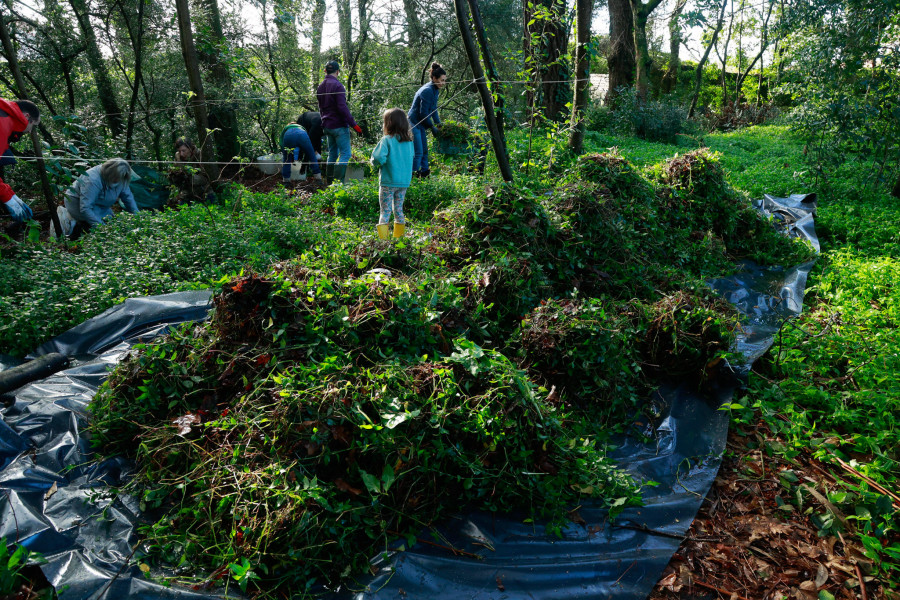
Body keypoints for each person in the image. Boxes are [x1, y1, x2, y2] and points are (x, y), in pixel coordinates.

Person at [63, 158, 138, 240]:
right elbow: (85, 208)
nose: (117, 180)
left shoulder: (122, 177)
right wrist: (102, 229)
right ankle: (74, 236)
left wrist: (138, 217)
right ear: (109, 174)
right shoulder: (92, 180)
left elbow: (128, 197)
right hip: (77, 202)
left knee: (111, 222)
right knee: (90, 226)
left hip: (100, 204)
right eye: (115, 178)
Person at [370, 108, 414, 240]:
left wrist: (375, 163)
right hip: (403, 183)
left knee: (385, 211)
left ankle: (384, 242)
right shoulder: (409, 143)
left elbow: (377, 158)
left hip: (388, 182)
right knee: (399, 210)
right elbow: (412, 158)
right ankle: (398, 240)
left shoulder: (386, 140)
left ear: (388, 123)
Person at [316, 61, 362, 184]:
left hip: (327, 125)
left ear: (325, 71)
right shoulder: (338, 86)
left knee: (332, 154)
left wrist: (324, 121)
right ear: (337, 71)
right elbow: (342, 107)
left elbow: (320, 108)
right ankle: (338, 184)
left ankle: (329, 182)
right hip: (339, 126)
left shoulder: (320, 87)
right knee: (346, 154)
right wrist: (354, 125)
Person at [0, 98, 40, 223]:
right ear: (26, 116)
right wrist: (8, 196)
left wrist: (9, 193)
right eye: (32, 125)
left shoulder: (5, 115)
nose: (29, 131)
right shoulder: (3, 123)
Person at [407, 63, 447, 179]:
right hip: (413, 122)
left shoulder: (435, 90)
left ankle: (424, 174)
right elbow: (423, 113)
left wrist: (438, 123)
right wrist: (432, 127)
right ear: (434, 78)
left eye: (444, 80)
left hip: (421, 124)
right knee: (418, 152)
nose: (443, 83)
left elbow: (433, 109)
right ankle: (414, 176)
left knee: (424, 151)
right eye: (441, 80)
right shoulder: (427, 90)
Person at [169, 138, 214, 204]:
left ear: (190, 148)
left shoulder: (200, 154)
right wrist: (178, 161)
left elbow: (206, 178)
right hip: (186, 192)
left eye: (184, 151)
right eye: (179, 151)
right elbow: (174, 177)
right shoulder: (178, 156)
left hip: (204, 191)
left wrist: (189, 175)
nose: (181, 154)